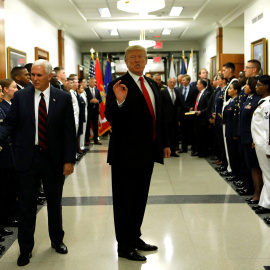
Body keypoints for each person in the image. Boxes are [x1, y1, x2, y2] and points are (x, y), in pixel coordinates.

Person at [0, 59, 77, 266]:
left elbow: (69, 131)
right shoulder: (21, 96)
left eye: (39, 75)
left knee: (54, 203)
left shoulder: (62, 97)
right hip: (28, 159)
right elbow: (9, 124)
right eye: (32, 74)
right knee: (26, 206)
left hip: (53, 159)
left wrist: (69, 160)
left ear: (49, 76)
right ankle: (25, 249)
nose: (34, 79)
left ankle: (57, 240)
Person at [105, 45, 171, 262]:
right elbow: (110, 116)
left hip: (147, 153)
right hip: (125, 154)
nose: (137, 60)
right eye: (132, 57)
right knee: (124, 202)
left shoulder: (151, 83)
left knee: (140, 199)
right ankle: (124, 246)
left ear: (146, 61)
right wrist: (121, 101)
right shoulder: (117, 84)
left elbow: (157, 117)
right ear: (125, 61)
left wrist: (164, 143)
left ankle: (135, 237)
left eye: (140, 57)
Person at [237, 76, 262, 198]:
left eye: (247, 85)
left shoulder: (258, 100)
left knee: (255, 166)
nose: (245, 87)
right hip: (245, 137)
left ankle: (257, 192)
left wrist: (253, 139)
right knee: (249, 165)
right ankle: (251, 188)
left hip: (252, 139)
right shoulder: (249, 98)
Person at [251, 75, 270, 220]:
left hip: (265, 144)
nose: (256, 87)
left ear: (267, 86)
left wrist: (268, 147)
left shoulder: (268, 103)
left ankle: (267, 204)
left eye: (259, 85)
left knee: (269, 175)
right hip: (259, 143)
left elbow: (268, 128)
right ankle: (264, 202)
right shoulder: (263, 102)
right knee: (266, 175)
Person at [160, 77, 184, 157]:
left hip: (174, 118)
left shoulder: (177, 91)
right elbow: (160, 105)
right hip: (165, 118)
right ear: (168, 83)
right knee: (165, 135)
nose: (172, 84)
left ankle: (173, 151)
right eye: (171, 82)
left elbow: (180, 103)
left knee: (174, 136)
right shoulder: (163, 92)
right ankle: (164, 152)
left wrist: (188, 109)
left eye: (174, 82)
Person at [84, 77, 102, 145]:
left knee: (95, 126)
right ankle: (87, 140)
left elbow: (100, 99)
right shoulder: (86, 90)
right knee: (88, 125)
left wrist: (97, 101)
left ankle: (96, 140)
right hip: (88, 111)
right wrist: (90, 101)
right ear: (89, 83)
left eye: (94, 82)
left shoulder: (97, 90)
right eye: (92, 82)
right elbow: (84, 100)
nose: (93, 83)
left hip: (95, 111)